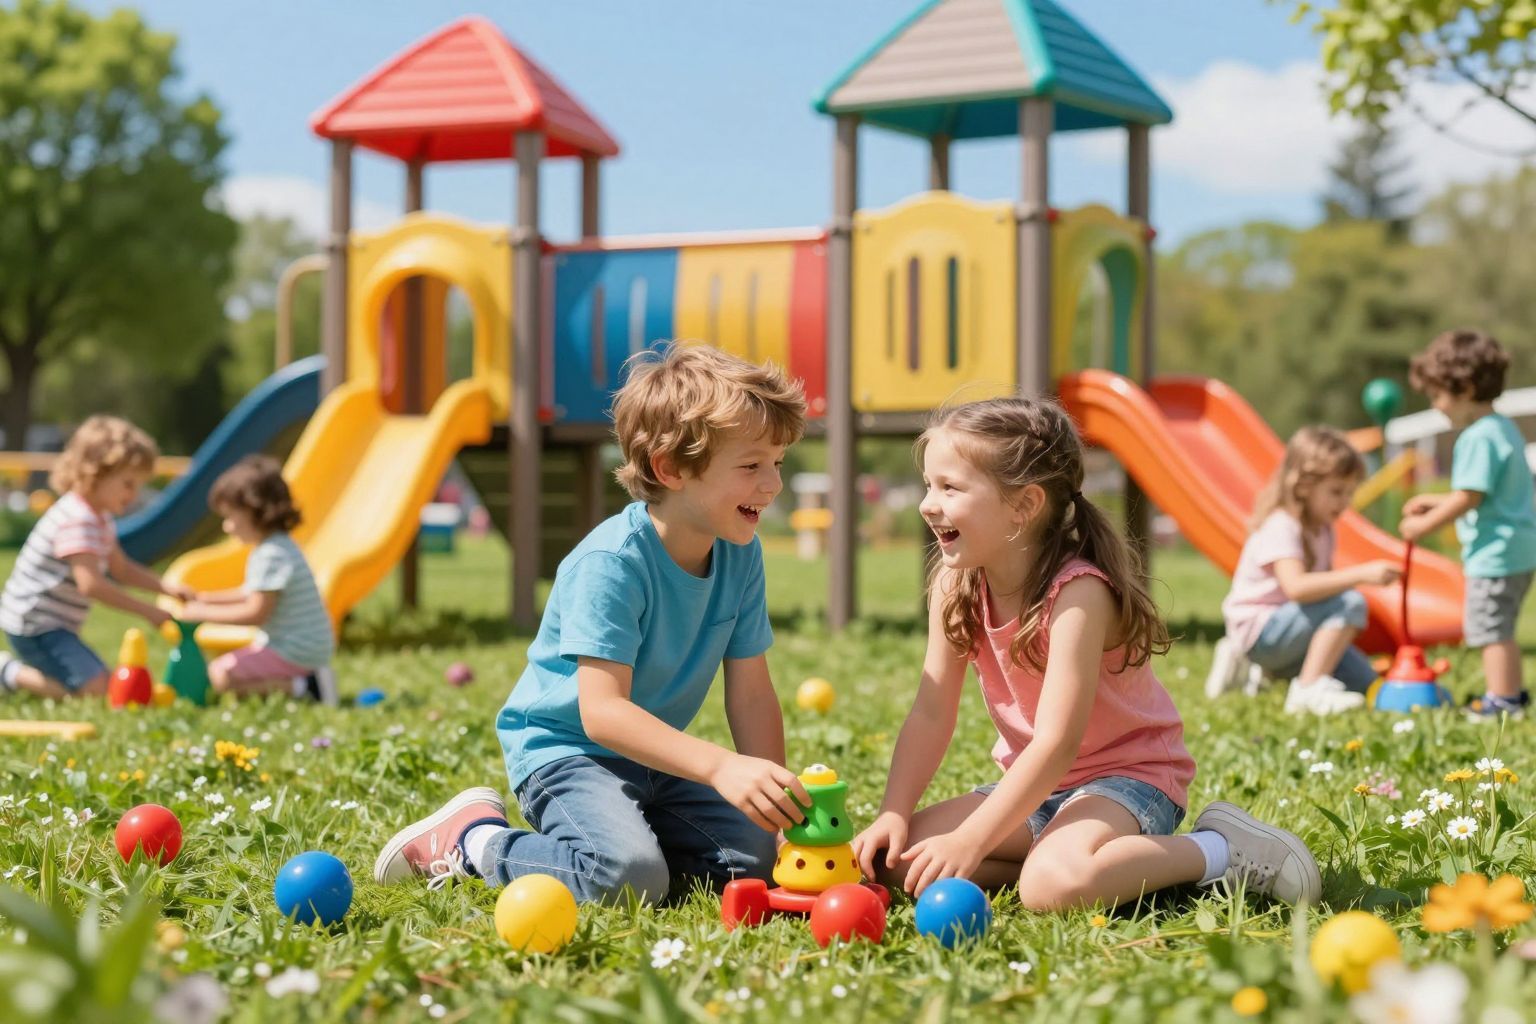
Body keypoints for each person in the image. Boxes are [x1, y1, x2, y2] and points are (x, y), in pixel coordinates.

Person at [373, 343, 810, 903]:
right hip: (567, 754)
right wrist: (722, 766)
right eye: (751, 466)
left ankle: (635, 844)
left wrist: (774, 817)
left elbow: (750, 694)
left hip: (656, 760)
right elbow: (601, 714)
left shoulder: (740, 553)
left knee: (756, 865)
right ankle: (475, 841)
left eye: (777, 463)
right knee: (625, 876)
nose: (772, 485)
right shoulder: (611, 563)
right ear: (670, 468)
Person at [852, 397, 1321, 910]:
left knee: (1051, 886)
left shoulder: (1077, 593)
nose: (926, 503)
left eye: (950, 487)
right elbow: (930, 711)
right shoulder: (955, 585)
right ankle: (1065, 855)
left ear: (1023, 506)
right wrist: (893, 813)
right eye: (927, 484)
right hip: (1036, 788)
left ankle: (1219, 850)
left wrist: (972, 840)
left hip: (1127, 779)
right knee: (896, 861)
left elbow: (1056, 742)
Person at [1209, 426, 1400, 714]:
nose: (1344, 502)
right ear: (1304, 485)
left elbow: (1324, 592)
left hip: (1291, 631)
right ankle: (1307, 689)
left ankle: (1271, 675)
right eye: (1336, 491)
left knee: (1364, 681)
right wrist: (1361, 575)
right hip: (1262, 634)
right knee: (1350, 601)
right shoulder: (1282, 525)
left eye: (1349, 492)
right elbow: (1296, 587)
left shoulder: (1323, 530)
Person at [0, 416, 189, 699]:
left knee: (106, 684)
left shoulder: (99, 518)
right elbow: (92, 585)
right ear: (96, 473)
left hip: (58, 624)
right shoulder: (78, 519)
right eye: (128, 484)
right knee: (97, 690)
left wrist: (167, 588)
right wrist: (149, 611)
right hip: (35, 624)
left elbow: (122, 570)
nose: (135, 494)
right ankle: (8, 672)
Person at [1401, 328, 1536, 719]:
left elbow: (1469, 497)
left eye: (1438, 395)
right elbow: (1484, 493)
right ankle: (1512, 694)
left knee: (1489, 629)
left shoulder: (1476, 437)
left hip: (1495, 552)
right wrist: (1435, 500)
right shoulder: (1504, 428)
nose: (1436, 406)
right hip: (1518, 548)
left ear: (1467, 388)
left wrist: (1421, 528)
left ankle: (1502, 700)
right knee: (1501, 627)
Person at [178, 456, 336, 703]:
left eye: (231, 517)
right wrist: (204, 598)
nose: (227, 527)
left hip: (295, 650)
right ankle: (301, 683)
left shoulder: (271, 554)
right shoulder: (278, 546)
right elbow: (249, 592)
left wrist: (202, 613)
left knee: (220, 676)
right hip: (305, 646)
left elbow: (255, 613)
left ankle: (306, 686)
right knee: (230, 667)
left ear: (256, 511)